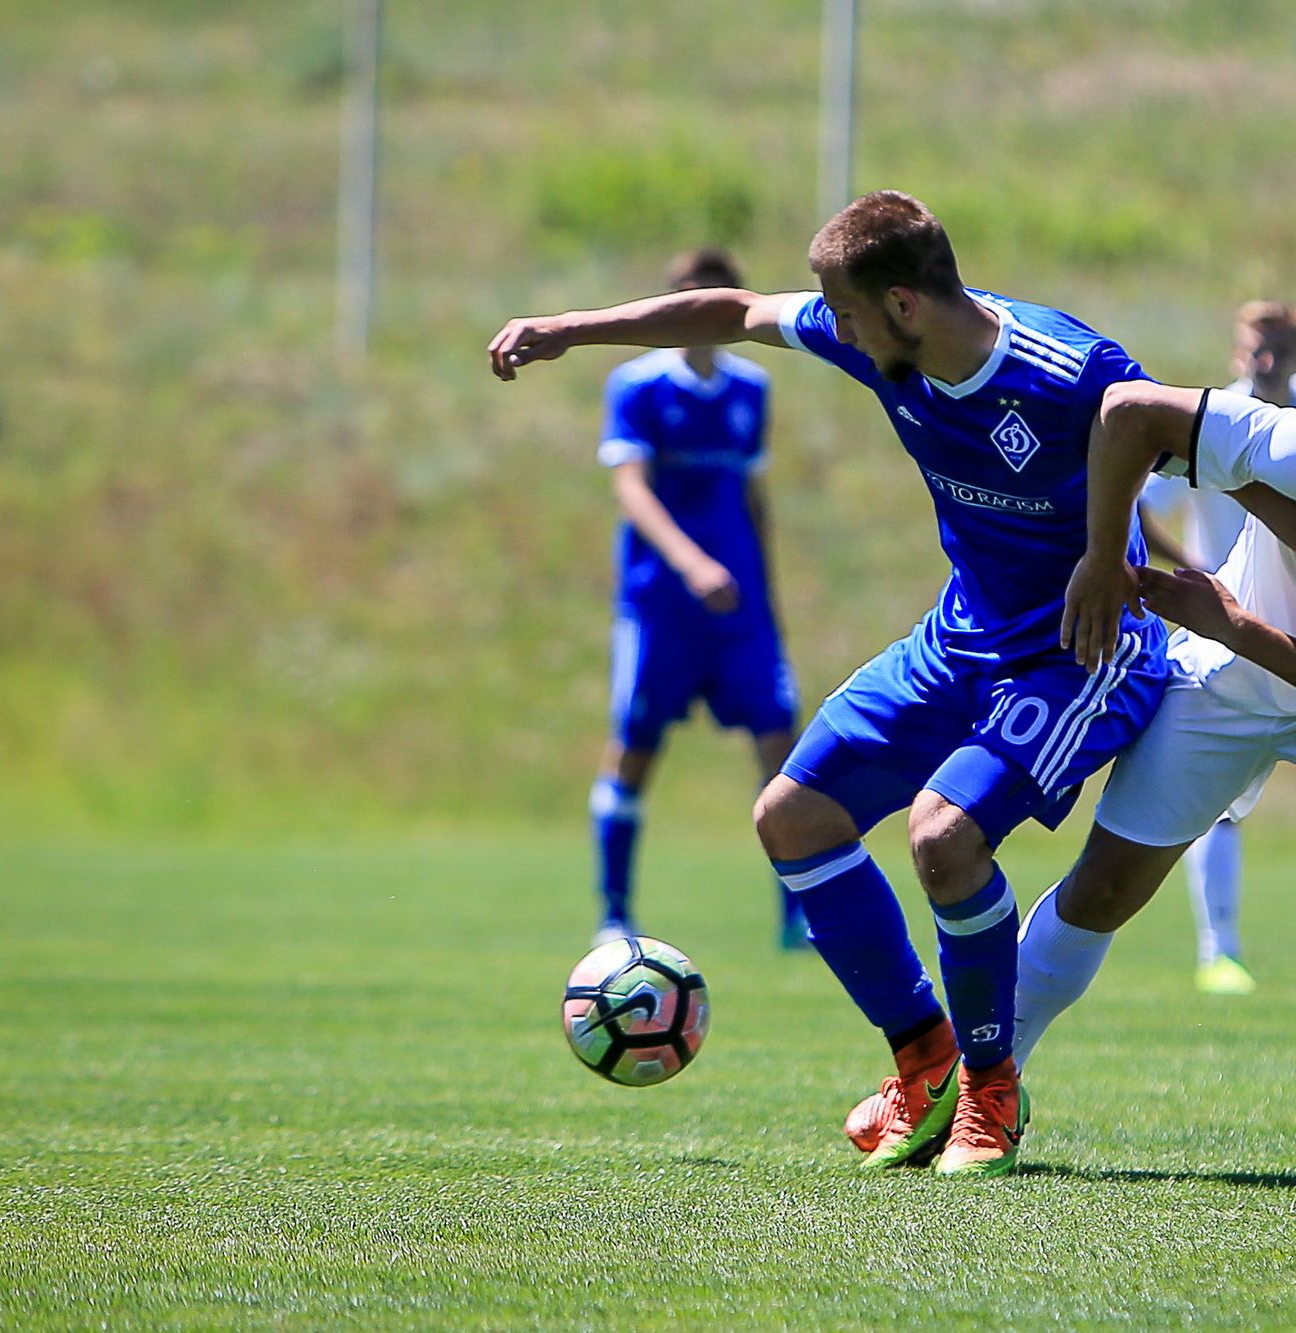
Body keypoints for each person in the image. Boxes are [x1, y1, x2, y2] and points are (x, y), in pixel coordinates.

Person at [490, 190, 1168, 1179]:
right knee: (792, 816)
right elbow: (733, 313)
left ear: (901, 305)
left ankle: (991, 1085)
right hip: (961, 636)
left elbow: (1143, 419)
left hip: (1079, 652)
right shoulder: (875, 338)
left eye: (845, 312)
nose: (832, 330)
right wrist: (568, 331)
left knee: (941, 835)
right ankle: (924, 1062)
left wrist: (1112, 557)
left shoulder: (1065, 367)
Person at [1014, 379, 1296, 1076]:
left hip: (1234, 640)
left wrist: (1232, 623)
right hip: (1224, 687)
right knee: (1103, 888)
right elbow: (1127, 410)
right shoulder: (1281, 441)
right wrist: (1103, 556)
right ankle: (980, 1076)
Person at [587, 247, 804, 951]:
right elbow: (630, 487)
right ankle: (614, 912)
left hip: (739, 607)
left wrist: (766, 598)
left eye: (710, 295)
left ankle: (794, 914)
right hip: (661, 602)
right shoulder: (637, 384)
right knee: (635, 749)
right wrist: (689, 564)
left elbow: (753, 495)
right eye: (685, 293)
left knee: (782, 749)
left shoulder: (750, 389)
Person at [1135, 301, 1296, 995]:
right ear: (1236, 353)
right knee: (1211, 799)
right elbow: (1135, 487)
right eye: (1252, 348)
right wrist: (1189, 569)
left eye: (1275, 349)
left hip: (1281, 634)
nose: (1262, 361)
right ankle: (1217, 950)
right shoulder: (1215, 420)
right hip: (1221, 631)